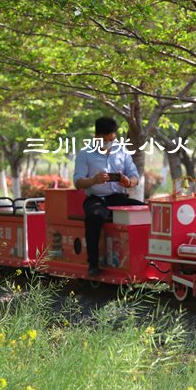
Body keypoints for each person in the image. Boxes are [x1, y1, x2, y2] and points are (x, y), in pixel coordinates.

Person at [73, 117, 141, 276]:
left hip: (118, 197)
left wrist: (128, 182)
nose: (109, 142)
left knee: (145, 210)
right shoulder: (85, 154)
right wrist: (93, 180)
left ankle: (142, 258)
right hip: (96, 199)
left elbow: (135, 176)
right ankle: (93, 263)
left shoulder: (122, 151)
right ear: (96, 136)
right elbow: (77, 182)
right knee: (94, 217)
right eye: (105, 139)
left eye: (112, 139)